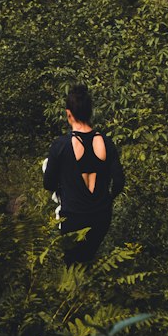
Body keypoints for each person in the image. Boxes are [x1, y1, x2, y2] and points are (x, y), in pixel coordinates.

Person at [42, 84, 124, 263]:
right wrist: (107, 200)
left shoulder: (61, 145)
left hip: (73, 216)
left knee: (73, 267)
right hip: (101, 216)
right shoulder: (106, 142)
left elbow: (48, 183)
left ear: (68, 114)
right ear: (90, 112)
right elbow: (119, 181)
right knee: (89, 260)